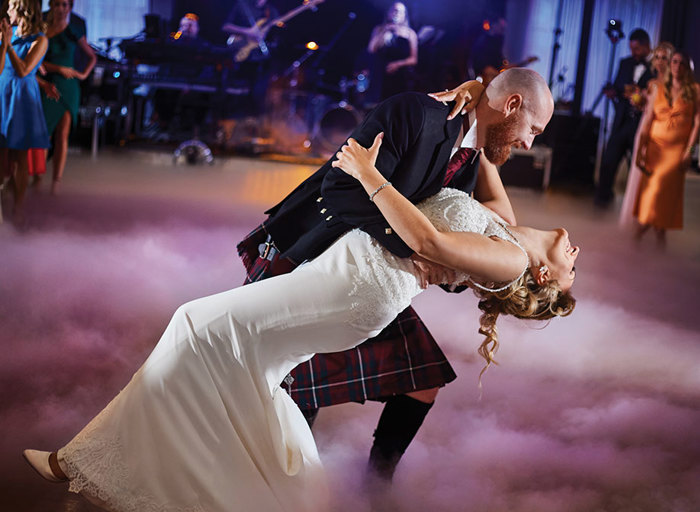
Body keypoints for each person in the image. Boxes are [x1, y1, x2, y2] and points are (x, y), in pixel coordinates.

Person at [23, 125, 578, 511]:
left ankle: (86, 463)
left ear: (545, 277)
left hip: (360, 286)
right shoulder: (505, 228)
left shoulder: (506, 259)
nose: (576, 254)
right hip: (349, 272)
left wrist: (367, 173)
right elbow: (483, 157)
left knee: (195, 324)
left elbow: (425, 237)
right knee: (253, 374)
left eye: (574, 267)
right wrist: (475, 103)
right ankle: (279, 493)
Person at [237, 68, 555, 483]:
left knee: (422, 380)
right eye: (532, 129)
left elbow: (465, 221)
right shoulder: (416, 113)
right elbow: (341, 189)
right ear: (512, 106)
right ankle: (280, 489)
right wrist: (418, 251)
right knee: (293, 385)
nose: (529, 143)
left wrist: (458, 269)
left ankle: (376, 486)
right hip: (311, 257)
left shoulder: (469, 158)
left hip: (369, 278)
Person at [633, 50, 700, 246]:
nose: (677, 67)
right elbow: (647, 121)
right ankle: (656, 240)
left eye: (682, 63)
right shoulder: (658, 88)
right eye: (675, 62)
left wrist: (690, 151)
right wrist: (640, 151)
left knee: (663, 194)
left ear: (688, 68)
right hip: (655, 148)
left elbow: (698, 123)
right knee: (651, 194)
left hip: (677, 151)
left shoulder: (695, 90)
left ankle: (639, 236)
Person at [31, 0, 95, 195]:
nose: (60, 8)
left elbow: (92, 56)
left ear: (70, 8)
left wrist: (82, 75)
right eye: (57, 4)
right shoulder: (41, 28)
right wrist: (58, 68)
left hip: (69, 87)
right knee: (44, 134)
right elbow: (35, 58)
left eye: (65, 5)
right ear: (50, 6)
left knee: (62, 136)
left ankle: (56, 183)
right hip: (49, 83)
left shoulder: (74, 30)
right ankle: (38, 178)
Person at [0, 0, 49, 222]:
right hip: (3, 93)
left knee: (19, 156)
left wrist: (9, 45)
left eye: (11, 6)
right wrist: (4, 44)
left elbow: (23, 70)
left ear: (22, 10)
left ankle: (17, 208)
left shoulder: (39, 39)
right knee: (3, 153)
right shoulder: (7, 35)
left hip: (21, 99)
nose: (7, 10)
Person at [594, 28, 653, 207]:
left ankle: (638, 206)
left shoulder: (655, 68)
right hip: (622, 121)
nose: (633, 53)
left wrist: (641, 96)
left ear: (646, 46)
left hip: (641, 125)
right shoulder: (625, 63)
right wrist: (616, 94)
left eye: (636, 49)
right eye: (631, 48)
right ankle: (602, 201)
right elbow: (619, 87)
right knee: (608, 161)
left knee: (636, 168)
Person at [619, 42, 674, 229]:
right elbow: (647, 109)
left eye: (664, 58)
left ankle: (654, 221)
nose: (659, 61)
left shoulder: (674, 86)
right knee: (639, 175)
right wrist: (639, 101)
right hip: (644, 130)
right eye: (657, 57)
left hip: (662, 135)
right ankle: (636, 219)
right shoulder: (651, 84)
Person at [367, 2, 418, 103]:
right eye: (394, 10)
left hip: (400, 76)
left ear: (405, 15)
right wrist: (384, 31)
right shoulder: (379, 29)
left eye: (400, 11)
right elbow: (371, 49)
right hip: (380, 75)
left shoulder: (410, 33)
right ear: (389, 12)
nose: (396, 13)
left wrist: (397, 64)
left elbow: (413, 59)